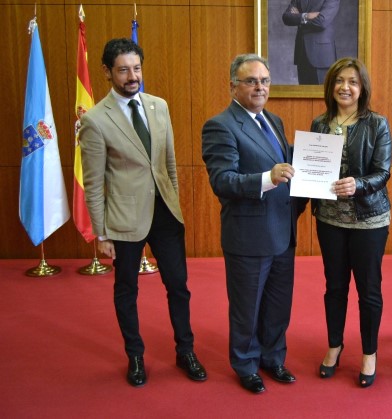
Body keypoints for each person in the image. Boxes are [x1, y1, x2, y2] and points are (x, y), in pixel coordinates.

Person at [79, 38, 207, 387]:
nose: (132, 76)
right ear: (107, 72)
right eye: (123, 70)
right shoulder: (95, 121)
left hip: (165, 213)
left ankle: (186, 351)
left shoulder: (158, 106)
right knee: (126, 290)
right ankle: (135, 356)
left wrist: (176, 205)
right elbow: (93, 183)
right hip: (124, 219)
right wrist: (101, 233)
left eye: (136, 68)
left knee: (178, 286)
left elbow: (168, 163)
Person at [201, 54, 299, 394]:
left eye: (265, 81)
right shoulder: (221, 125)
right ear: (232, 87)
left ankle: (273, 358)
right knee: (246, 307)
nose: (260, 87)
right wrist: (266, 178)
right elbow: (223, 181)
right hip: (248, 236)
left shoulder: (274, 120)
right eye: (251, 81)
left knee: (277, 305)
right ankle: (246, 363)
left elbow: (288, 165)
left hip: (282, 232)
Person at [310, 57, 392, 388]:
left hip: (369, 219)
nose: (346, 87)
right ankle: (334, 345)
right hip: (329, 219)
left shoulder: (377, 124)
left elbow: (383, 172)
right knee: (335, 287)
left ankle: (369, 353)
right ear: (330, 87)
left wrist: (357, 184)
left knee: (369, 290)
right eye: (339, 81)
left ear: (362, 89)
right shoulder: (319, 123)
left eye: (353, 82)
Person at [282, 0, 340, 85]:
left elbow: (322, 22)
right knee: (304, 95)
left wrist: (299, 18)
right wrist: (306, 16)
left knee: (322, 95)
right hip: (302, 54)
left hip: (322, 57)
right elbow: (286, 17)